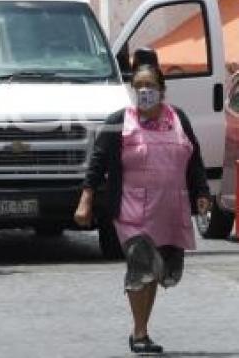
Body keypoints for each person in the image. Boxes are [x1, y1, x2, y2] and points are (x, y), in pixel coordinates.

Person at [74, 62, 210, 355]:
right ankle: (140, 334)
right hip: (132, 210)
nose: (144, 92)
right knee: (141, 266)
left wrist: (201, 193)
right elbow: (97, 164)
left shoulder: (179, 118)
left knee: (155, 271)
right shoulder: (119, 120)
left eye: (150, 86)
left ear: (162, 90)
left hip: (169, 209)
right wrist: (85, 200)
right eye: (139, 87)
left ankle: (142, 329)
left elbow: (194, 159)